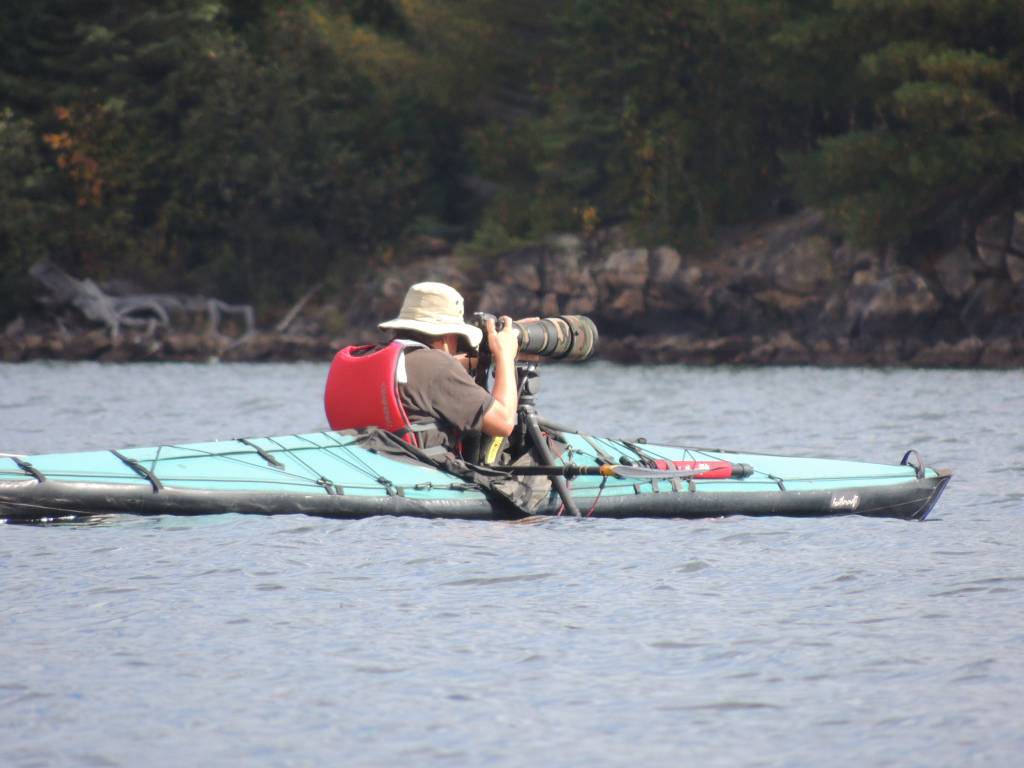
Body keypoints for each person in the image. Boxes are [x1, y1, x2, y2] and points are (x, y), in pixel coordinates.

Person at [324, 282, 520, 453]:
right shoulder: (438, 366)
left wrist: (483, 358)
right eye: (458, 339)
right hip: (428, 472)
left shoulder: (378, 357)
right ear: (446, 337)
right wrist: (505, 356)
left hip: (375, 463)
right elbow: (503, 422)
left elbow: (430, 374)